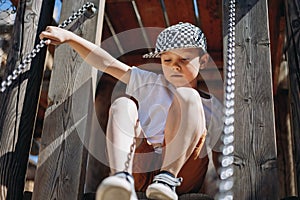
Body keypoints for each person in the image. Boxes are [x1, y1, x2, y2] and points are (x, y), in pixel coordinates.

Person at [40, 22, 223, 200]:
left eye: (184, 59)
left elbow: (219, 155)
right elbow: (107, 63)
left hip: (183, 174)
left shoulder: (212, 106)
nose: (175, 66)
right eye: (168, 60)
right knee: (122, 105)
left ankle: (167, 179)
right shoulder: (150, 83)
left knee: (188, 96)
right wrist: (71, 38)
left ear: (203, 61)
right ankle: (122, 177)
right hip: (142, 167)